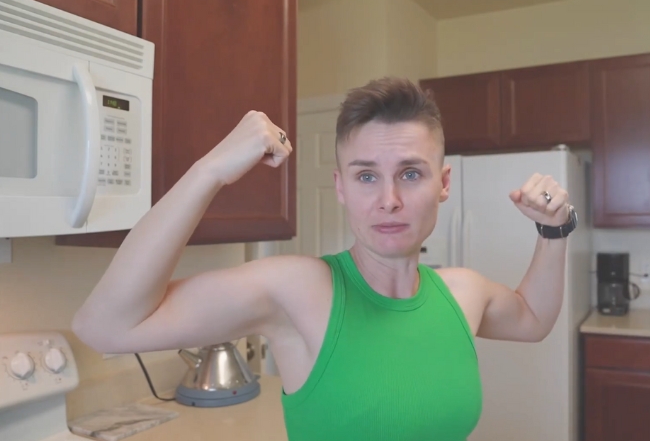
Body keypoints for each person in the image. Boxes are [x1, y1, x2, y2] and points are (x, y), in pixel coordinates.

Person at [71, 76, 578, 440]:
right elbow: (105, 327)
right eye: (365, 176)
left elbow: (533, 320)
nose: (388, 200)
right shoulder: (300, 289)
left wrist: (554, 230)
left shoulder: (462, 292)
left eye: (410, 173)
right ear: (340, 187)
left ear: (443, 184)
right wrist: (210, 171)